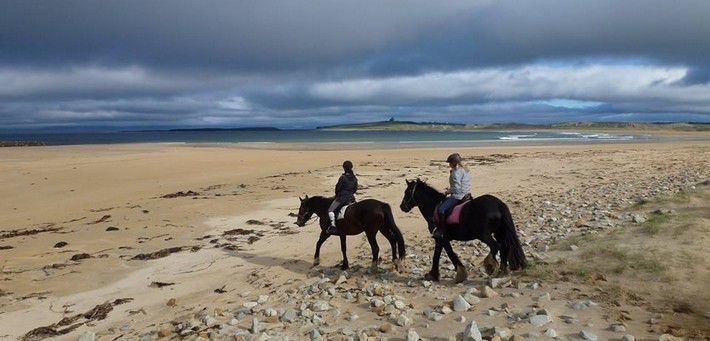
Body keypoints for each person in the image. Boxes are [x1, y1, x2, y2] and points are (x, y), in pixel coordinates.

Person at [432, 153, 470, 240]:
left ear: (454, 163)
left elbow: (456, 188)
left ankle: (442, 230)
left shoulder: (455, 173)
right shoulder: (465, 170)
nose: (449, 165)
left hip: (458, 196)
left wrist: (447, 192)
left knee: (441, 209)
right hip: (467, 194)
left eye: (450, 163)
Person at [327, 160, 358, 235]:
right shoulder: (354, 178)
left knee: (330, 211)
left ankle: (333, 226)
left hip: (342, 198)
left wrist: (337, 196)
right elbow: (355, 189)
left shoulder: (342, 178)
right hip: (351, 198)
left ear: (344, 168)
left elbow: (337, 188)